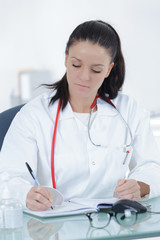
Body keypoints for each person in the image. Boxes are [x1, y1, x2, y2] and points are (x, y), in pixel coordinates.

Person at [1, 20, 160, 211]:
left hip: (111, 222)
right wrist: (25, 194)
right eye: (76, 65)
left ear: (109, 69)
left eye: (96, 70)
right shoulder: (34, 115)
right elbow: (8, 176)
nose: (85, 77)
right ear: (66, 59)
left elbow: (152, 165)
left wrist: (140, 186)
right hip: (54, 226)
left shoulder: (129, 110)